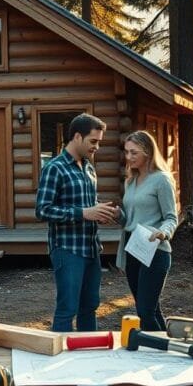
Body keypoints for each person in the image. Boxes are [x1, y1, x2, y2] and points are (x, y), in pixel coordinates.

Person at [35, 113, 119, 332]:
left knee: (90, 306)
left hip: (91, 248)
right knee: (67, 308)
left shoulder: (89, 168)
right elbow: (42, 210)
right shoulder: (55, 168)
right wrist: (83, 213)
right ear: (77, 137)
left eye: (99, 142)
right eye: (93, 141)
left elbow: (87, 206)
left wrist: (102, 211)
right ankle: (59, 361)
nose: (97, 147)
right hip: (67, 249)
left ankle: (87, 356)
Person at [116, 130, 178, 332]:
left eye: (134, 153)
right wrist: (118, 215)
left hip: (155, 249)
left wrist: (163, 233)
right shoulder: (130, 180)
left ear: (148, 152)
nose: (128, 157)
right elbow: (131, 218)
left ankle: (157, 350)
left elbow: (171, 217)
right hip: (133, 248)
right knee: (149, 308)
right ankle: (168, 345)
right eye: (126, 152)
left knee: (145, 311)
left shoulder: (161, 179)